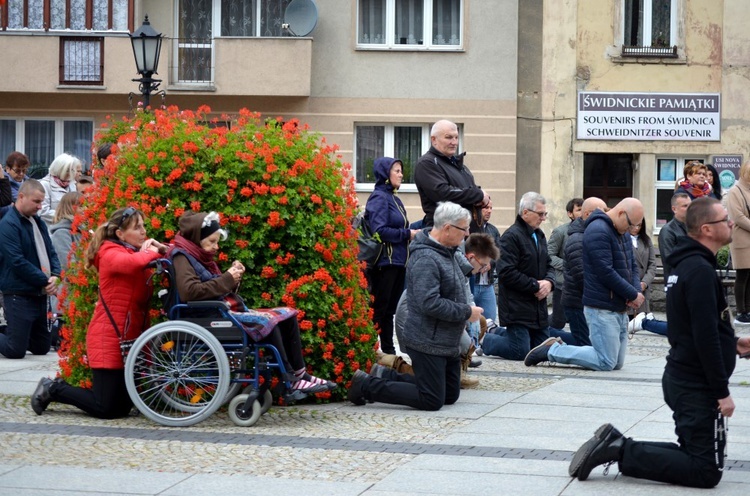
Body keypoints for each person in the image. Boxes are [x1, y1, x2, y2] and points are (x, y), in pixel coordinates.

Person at [568, 197, 750, 488]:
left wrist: (734, 342)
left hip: (686, 377)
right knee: (706, 471)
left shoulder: (690, 265)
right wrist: (722, 391)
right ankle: (618, 448)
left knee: (700, 458)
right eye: (724, 219)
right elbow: (702, 336)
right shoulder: (699, 270)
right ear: (706, 229)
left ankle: (616, 445)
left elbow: (693, 326)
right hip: (695, 383)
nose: (731, 222)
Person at [168, 211, 335, 394]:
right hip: (204, 316)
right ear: (197, 239)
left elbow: (213, 286)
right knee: (267, 321)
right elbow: (189, 292)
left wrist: (232, 277)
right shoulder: (182, 257)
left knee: (286, 315)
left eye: (217, 242)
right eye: (212, 242)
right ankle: (288, 377)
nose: (216, 247)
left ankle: (300, 375)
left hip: (217, 311)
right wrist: (227, 279)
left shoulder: (199, 256)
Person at [30, 207, 168, 417]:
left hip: (127, 337)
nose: (143, 231)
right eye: (137, 227)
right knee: (105, 408)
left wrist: (162, 248)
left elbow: (161, 256)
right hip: (108, 336)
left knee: (121, 409)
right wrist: (152, 251)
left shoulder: (133, 251)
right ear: (120, 234)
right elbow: (133, 263)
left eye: (143, 226)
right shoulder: (109, 252)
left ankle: (57, 389)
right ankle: (53, 388)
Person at [348, 202, 483, 411]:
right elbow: (429, 303)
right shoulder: (426, 258)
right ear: (447, 228)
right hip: (426, 339)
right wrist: (466, 312)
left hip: (445, 341)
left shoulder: (447, 251)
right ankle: (366, 385)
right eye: (463, 229)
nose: (467, 234)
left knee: (449, 394)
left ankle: (383, 374)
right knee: (432, 399)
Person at [524, 198, 645, 371]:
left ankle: (557, 347)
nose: (631, 229)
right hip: (601, 306)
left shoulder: (622, 232)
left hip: (619, 305)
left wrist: (634, 291)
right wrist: (632, 294)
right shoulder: (598, 229)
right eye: (631, 224)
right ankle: (553, 350)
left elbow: (631, 265)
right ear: (620, 213)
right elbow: (605, 270)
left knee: (615, 363)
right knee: (606, 362)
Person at [481, 192, 557, 360]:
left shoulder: (539, 235)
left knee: (543, 350)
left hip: (537, 309)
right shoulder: (511, 237)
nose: (543, 218)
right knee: (520, 351)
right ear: (525, 213)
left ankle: (496, 330)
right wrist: (536, 286)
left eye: (545, 214)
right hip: (517, 308)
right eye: (540, 214)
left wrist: (549, 282)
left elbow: (549, 265)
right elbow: (506, 272)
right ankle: (485, 340)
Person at [0, 179, 61, 359]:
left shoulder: (38, 222)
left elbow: (51, 252)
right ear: (21, 197)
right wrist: (46, 280)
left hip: (39, 293)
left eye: (41, 201)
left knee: (42, 347)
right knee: (15, 350)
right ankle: (14, 334)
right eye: (36, 201)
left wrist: (56, 275)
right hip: (18, 293)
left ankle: (13, 331)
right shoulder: (8, 224)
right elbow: (17, 261)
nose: (40, 206)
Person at [365, 157, 419, 355]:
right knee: (379, 310)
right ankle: (368, 351)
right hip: (384, 263)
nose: (401, 174)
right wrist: (408, 234)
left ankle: (388, 352)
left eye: (401, 171)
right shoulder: (379, 197)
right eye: (396, 170)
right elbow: (379, 230)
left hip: (397, 262)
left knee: (389, 312)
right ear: (385, 174)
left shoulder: (394, 198)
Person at [414, 120, 489, 230]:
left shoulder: (459, 166)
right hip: (446, 234)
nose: (454, 142)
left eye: (456, 137)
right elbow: (442, 193)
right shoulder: (427, 163)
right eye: (448, 137)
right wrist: (478, 194)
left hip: (468, 235)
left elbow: (467, 189)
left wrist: (481, 196)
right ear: (434, 140)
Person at [562, 197, 607, 347]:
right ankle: (550, 347)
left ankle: (547, 337)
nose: (605, 217)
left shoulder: (591, 234)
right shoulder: (577, 239)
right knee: (583, 343)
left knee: (584, 341)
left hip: (585, 300)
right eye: (602, 213)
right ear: (588, 214)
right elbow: (581, 275)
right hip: (577, 301)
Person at [48, 191, 83, 349]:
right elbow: (69, 265)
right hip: (68, 294)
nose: (87, 209)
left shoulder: (83, 231)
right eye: (82, 205)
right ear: (71, 208)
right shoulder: (62, 233)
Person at [627, 217, 668, 337]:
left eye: (639, 226)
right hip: (628, 286)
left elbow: (652, 265)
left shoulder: (646, 240)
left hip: (642, 286)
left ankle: (645, 321)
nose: (635, 229)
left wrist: (644, 283)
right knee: (637, 321)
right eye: (632, 225)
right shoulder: (622, 239)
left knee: (643, 318)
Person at [548, 198, 583, 330]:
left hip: (582, 285)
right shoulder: (561, 232)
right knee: (558, 321)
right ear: (570, 213)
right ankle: (538, 330)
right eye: (578, 210)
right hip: (563, 284)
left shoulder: (591, 230)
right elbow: (549, 255)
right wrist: (568, 265)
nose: (582, 212)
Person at [727, 160, 750, 325]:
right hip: (742, 239)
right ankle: (741, 312)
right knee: (742, 275)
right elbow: (738, 217)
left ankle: (748, 310)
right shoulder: (735, 191)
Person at [472, 198, 502, 322]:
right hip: (472, 283)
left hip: (487, 285)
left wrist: (491, 263)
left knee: (490, 322)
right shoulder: (469, 229)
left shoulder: (493, 230)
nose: (489, 211)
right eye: (485, 208)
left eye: (491, 208)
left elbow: (499, 253)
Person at [39, 153, 81, 223]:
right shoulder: (45, 184)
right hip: (52, 229)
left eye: (72, 170)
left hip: (70, 227)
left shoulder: (72, 184)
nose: (70, 174)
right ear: (59, 169)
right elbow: (43, 211)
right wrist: (65, 215)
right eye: (67, 170)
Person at [658, 192, 690, 282]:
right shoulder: (668, 230)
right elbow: (669, 259)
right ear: (674, 209)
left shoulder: (694, 228)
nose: (689, 209)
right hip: (676, 282)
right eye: (685, 206)